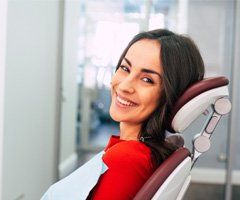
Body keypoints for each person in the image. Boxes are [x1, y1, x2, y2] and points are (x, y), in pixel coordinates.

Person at [41, 29, 205, 200]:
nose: (124, 86)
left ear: (172, 94)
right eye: (125, 68)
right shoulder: (136, 151)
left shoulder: (127, 159)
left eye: (147, 79)